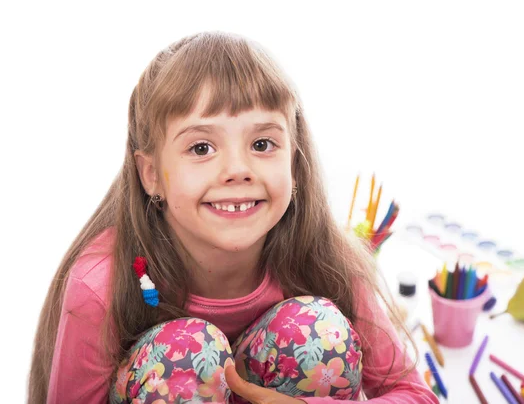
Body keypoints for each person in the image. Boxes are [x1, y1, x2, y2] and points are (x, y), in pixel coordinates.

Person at [28, 31, 438, 404]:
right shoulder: (102, 283)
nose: (238, 169)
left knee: (316, 331)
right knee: (188, 355)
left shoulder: (326, 257)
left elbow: (415, 396)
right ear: (151, 174)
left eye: (262, 143)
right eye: (202, 148)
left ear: (294, 164)